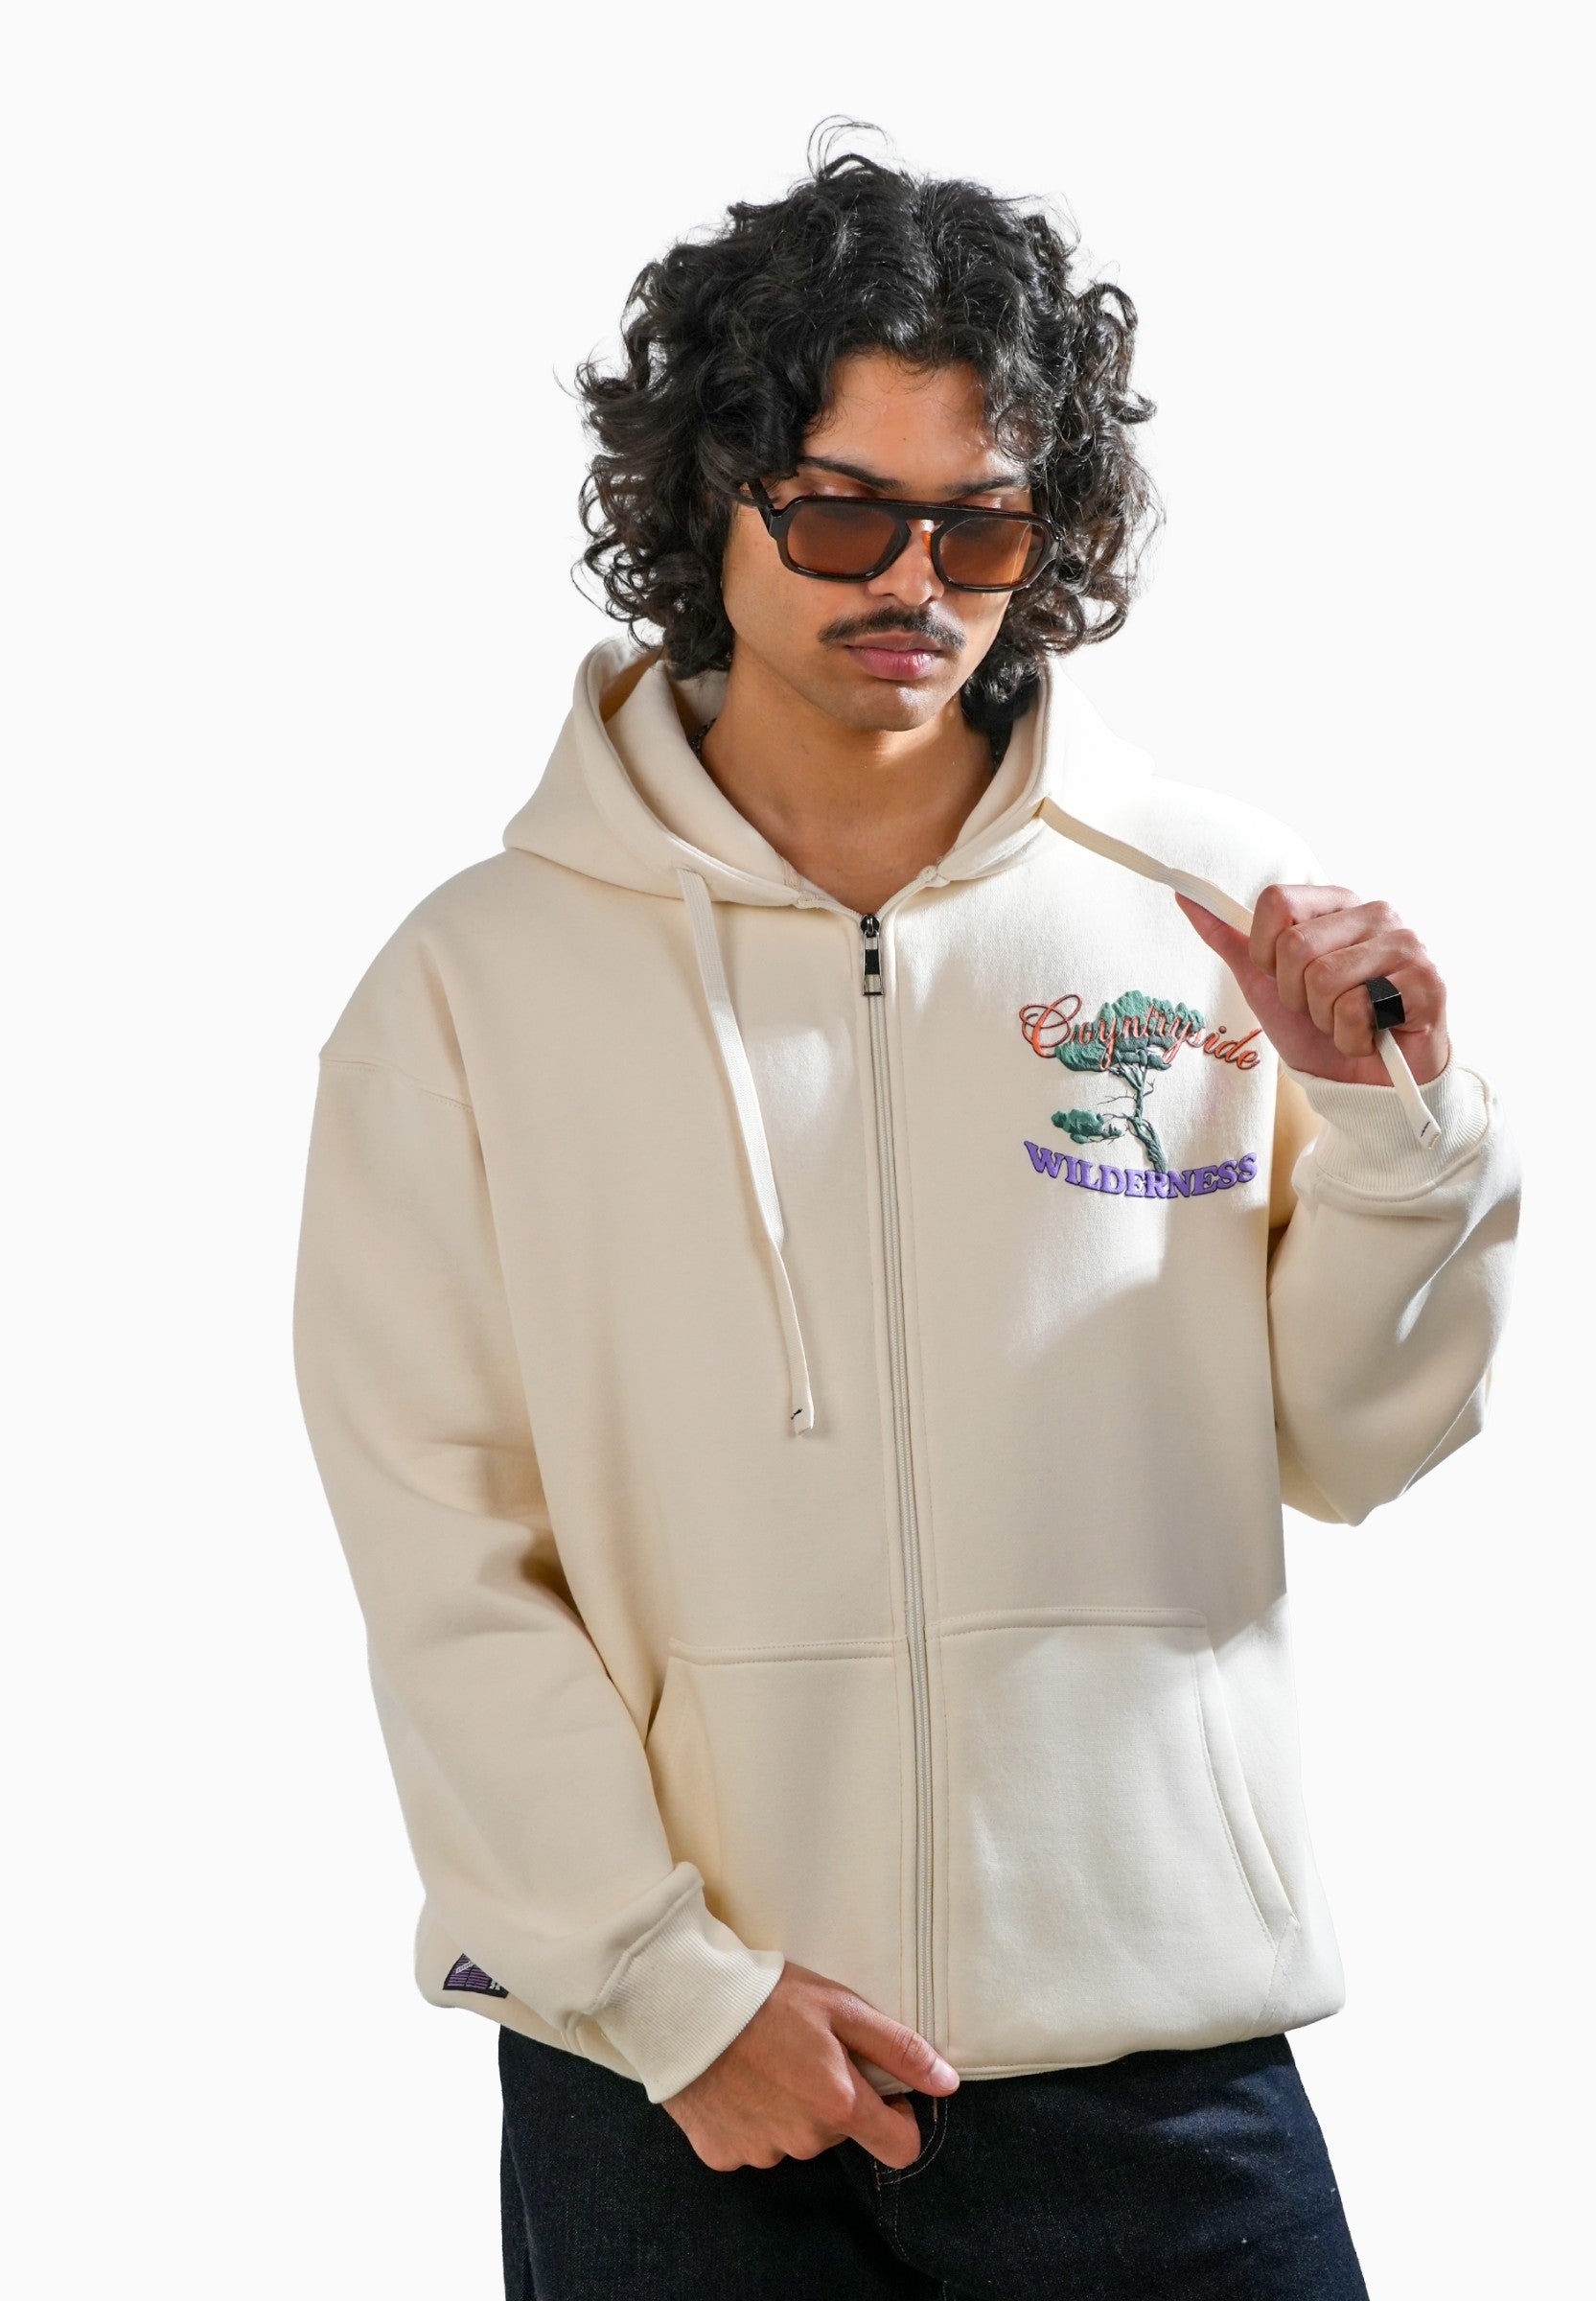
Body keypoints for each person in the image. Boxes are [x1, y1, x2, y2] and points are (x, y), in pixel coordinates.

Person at [292, 123, 1521, 2300]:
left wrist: (1397, 1133)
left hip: (1154, 2056)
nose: (917, 584)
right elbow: (445, 1558)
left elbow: (1359, 1444)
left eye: (982, 523)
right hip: (677, 2088)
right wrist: (669, 1993)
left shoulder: (1211, 920)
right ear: (715, 494)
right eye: (846, 511)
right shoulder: (476, 987)